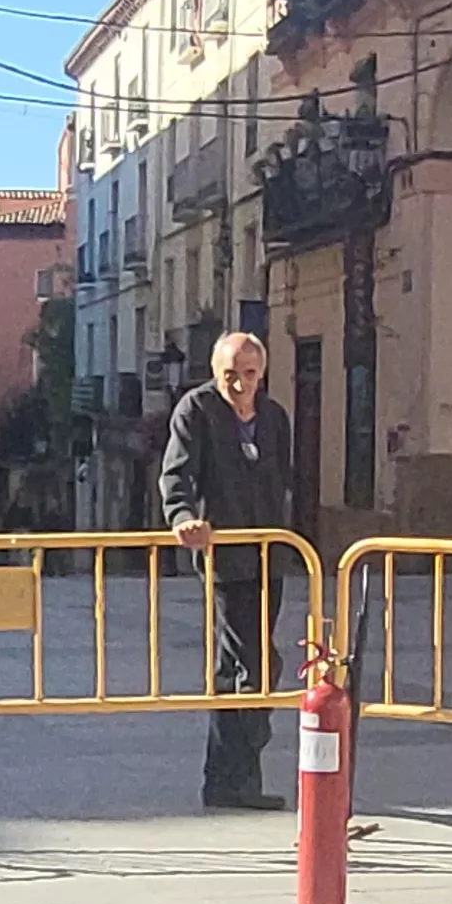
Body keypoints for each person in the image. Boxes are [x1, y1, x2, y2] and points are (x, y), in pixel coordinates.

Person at [161, 332, 293, 810]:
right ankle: (240, 774)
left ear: (263, 372)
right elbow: (177, 474)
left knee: (239, 666)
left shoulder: (275, 418)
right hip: (226, 558)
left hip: (269, 554)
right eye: (230, 375)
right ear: (216, 373)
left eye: (249, 374)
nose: (240, 385)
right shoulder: (195, 411)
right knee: (254, 665)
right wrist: (182, 518)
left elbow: (283, 479)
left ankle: (226, 779)